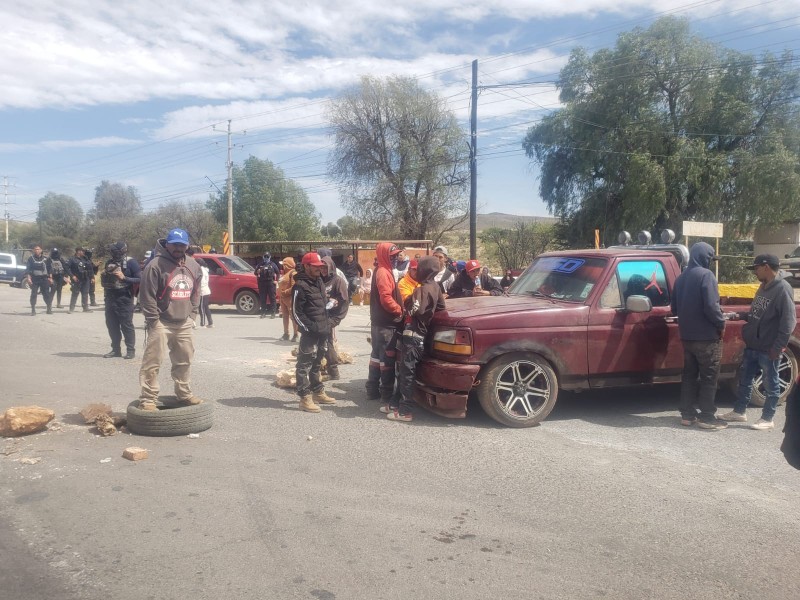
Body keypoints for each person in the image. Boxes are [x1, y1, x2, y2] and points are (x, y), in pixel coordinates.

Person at [721, 254, 797, 430]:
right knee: (745, 381)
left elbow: (789, 322)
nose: (755, 272)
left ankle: (768, 418)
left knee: (772, 383)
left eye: (756, 268)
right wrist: (741, 315)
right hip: (753, 345)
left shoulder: (783, 289)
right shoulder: (763, 287)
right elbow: (759, 313)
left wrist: (778, 347)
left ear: (766, 267)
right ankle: (739, 412)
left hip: (769, 348)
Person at [137, 228, 203, 411]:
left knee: (184, 361)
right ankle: (148, 399)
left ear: (187, 245)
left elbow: (196, 291)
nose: (178, 248)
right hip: (161, 322)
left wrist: (193, 315)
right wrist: (154, 321)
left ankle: (184, 395)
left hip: (184, 323)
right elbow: (146, 296)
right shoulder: (155, 265)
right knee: (153, 362)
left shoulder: (193, 265)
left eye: (182, 245)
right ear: (167, 244)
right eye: (174, 244)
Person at [670, 242, 728, 430]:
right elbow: (712, 307)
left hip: (687, 337)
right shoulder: (706, 275)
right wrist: (721, 323)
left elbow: (674, 308)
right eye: (710, 258)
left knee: (689, 375)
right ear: (705, 257)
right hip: (707, 338)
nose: (711, 262)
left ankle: (687, 415)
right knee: (709, 376)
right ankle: (707, 416)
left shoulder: (681, 278)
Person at [383, 256, 446, 422]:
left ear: (424, 271)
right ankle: (394, 404)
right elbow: (441, 308)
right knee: (404, 372)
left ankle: (405, 411)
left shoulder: (421, 290)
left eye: (419, 269)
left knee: (406, 374)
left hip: (412, 336)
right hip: (421, 336)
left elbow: (411, 311)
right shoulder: (436, 288)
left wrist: (410, 301)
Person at [291, 252, 337, 413]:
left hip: (323, 330)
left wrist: (329, 306)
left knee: (317, 362)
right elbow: (296, 313)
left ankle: (317, 391)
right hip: (310, 333)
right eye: (316, 267)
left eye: (320, 267)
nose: (319, 269)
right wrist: (309, 328)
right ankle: (304, 398)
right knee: (304, 364)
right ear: (306, 266)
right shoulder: (300, 286)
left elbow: (321, 305)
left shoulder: (318, 281)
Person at [366, 242, 404, 403]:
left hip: (378, 323)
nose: (395, 258)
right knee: (387, 360)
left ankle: (372, 389)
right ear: (385, 256)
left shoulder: (382, 270)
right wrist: (399, 310)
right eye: (392, 256)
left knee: (376, 357)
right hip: (386, 325)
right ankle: (386, 394)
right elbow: (386, 298)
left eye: (396, 255)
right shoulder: (383, 272)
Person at [100, 241, 141, 359]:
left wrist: (125, 278)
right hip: (110, 297)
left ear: (122, 251)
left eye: (115, 251)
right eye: (112, 251)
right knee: (111, 325)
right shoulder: (109, 262)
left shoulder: (131, 262)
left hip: (124, 298)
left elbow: (140, 279)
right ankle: (115, 350)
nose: (113, 253)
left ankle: (130, 350)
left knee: (126, 325)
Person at [321, 255, 349, 380]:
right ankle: (321, 368)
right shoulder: (319, 280)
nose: (323, 271)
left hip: (331, 317)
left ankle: (333, 370)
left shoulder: (337, 281)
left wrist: (336, 319)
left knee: (328, 343)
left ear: (331, 267)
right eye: (321, 268)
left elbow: (344, 301)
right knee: (321, 343)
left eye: (325, 268)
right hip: (319, 316)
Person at [25, 245, 52, 315]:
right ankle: (33, 309)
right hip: (35, 278)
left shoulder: (46, 259)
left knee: (46, 294)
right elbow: (28, 269)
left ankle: (49, 308)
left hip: (44, 278)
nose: (37, 250)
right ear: (34, 250)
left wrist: (51, 278)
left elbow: (50, 269)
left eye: (38, 249)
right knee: (34, 294)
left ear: (41, 250)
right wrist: (28, 278)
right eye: (35, 249)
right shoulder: (31, 259)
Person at [278, 257, 299, 341]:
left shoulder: (293, 273)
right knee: (285, 316)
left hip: (290, 299)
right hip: (283, 299)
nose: (282, 266)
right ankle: (286, 333)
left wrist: (285, 292)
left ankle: (296, 334)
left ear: (287, 265)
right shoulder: (285, 274)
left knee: (293, 317)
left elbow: (294, 286)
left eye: (283, 265)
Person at [67, 247, 92, 313]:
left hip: (85, 279)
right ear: (78, 251)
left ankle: (85, 308)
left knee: (85, 293)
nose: (84, 252)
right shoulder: (72, 259)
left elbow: (90, 268)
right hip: (77, 279)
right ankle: (71, 309)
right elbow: (67, 268)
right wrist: (72, 276)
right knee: (75, 293)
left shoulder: (85, 259)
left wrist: (92, 277)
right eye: (82, 251)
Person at [255, 252, 279, 318]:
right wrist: (258, 271)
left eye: (267, 256)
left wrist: (276, 280)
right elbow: (255, 273)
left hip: (270, 283)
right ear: (263, 257)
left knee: (272, 298)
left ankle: (273, 313)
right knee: (263, 298)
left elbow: (278, 273)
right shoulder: (260, 265)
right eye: (265, 256)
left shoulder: (273, 265)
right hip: (262, 284)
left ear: (270, 257)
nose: (266, 258)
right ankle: (263, 313)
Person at [195, 258, 214, 328]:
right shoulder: (205, 270)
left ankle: (202, 324)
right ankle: (210, 323)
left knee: (201, 308)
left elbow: (201, 282)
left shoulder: (200, 270)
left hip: (202, 291)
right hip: (206, 290)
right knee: (206, 307)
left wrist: (197, 289)